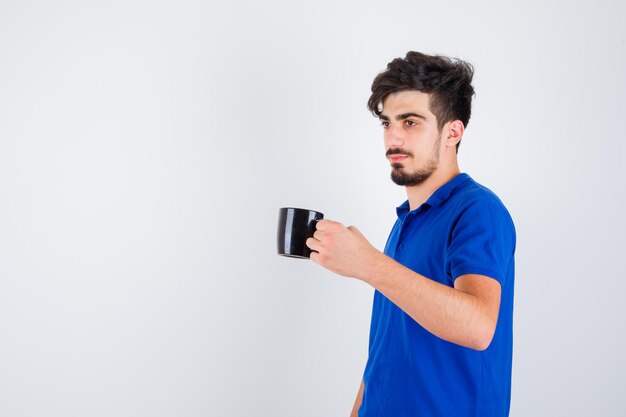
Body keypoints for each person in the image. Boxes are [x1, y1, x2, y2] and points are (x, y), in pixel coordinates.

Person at [305, 51, 516, 417]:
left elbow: (479, 326)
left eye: (411, 122)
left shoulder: (477, 210)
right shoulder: (405, 221)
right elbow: (385, 353)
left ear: (453, 131)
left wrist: (369, 264)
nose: (393, 138)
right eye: (387, 123)